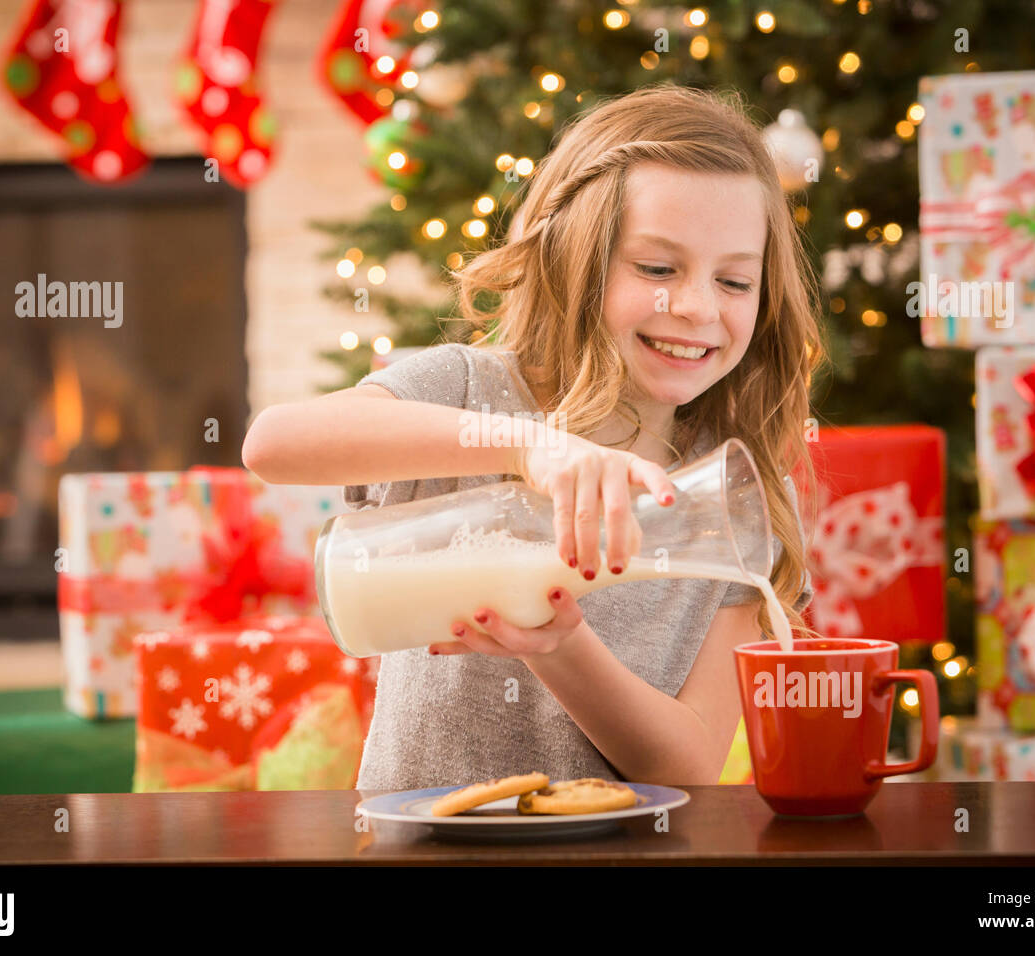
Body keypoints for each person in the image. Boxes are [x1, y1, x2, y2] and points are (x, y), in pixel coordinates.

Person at [243, 82, 822, 790]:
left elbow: (690, 764)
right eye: (658, 269)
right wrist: (526, 444)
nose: (697, 307)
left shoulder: (737, 497)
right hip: (421, 851)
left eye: (735, 281)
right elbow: (272, 445)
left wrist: (560, 646)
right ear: (576, 258)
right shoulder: (467, 391)